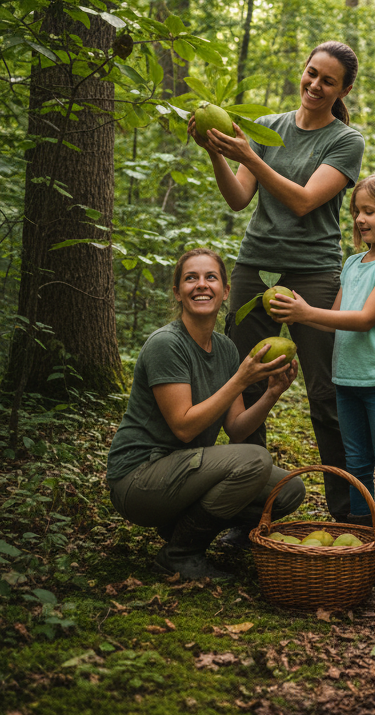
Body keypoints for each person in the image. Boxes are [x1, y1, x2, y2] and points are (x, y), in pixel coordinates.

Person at [189, 42, 366, 539]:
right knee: (245, 385)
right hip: (255, 267)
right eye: (311, 74)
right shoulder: (269, 126)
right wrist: (219, 155)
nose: (314, 85)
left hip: (312, 274)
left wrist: (251, 154)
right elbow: (239, 197)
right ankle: (247, 512)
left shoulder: (345, 141)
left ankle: (349, 513)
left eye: (327, 81)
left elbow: (305, 201)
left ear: (343, 90)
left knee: (326, 392)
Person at [106, 248, 307, 581]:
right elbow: (184, 427)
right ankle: (180, 553)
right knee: (255, 460)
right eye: (191, 278)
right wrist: (241, 379)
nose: (202, 285)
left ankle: (182, 528)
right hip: (139, 479)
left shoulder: (226, 348)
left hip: (186, 472)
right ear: (177, 292)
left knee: (288, 489)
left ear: (225, 291)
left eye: (211, 277)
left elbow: (237, 429)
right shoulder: (166, 344)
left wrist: (272, 393)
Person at [270, 171, 375, 583]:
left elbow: (363, 319)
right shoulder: (354, 263)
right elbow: (333, 321)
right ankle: (360, 545)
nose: (359, 218)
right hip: (347, 379)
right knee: (356, 465)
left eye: (369, 211)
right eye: (356, 210)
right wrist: (296, 313)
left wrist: (306, 312)